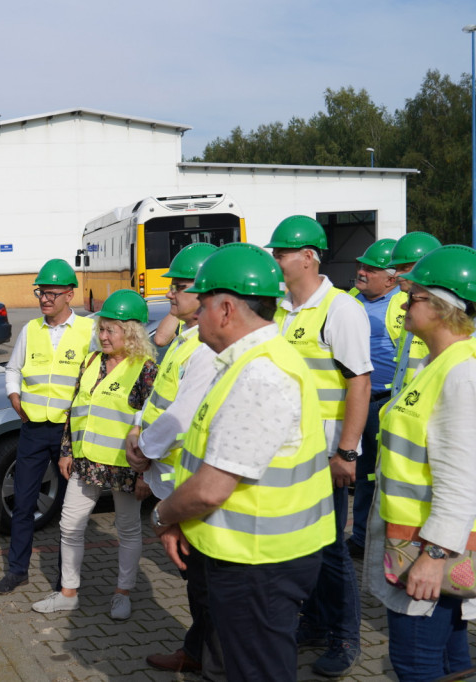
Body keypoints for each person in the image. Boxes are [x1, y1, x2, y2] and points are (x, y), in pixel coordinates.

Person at [152, 242, 335, 682]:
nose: (195, 311)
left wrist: (162, 516)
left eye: (203, 301)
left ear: (227, 309)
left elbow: (213, 486)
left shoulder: (261, 373)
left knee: (258, 672)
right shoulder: (243, 361)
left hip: (260, 564)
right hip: (246, 554)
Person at [365, 245, 476, 682]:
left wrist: (434, 556)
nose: (405, 303)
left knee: (416, 664)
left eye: (415, 297)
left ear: (446, 308)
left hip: (428, 553)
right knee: (452, 663)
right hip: (419, 545)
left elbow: (462, 476)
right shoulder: (436, 363)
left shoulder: (460, 373)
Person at [267, 215, 371, 677]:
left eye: (282, 253)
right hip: (289, 451)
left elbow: (359, 382)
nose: (275, 260)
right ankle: (314, 621)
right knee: (303, 545)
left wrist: (346, 451)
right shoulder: (279, 308)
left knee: (330, 548)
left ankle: (345, 635)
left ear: (309, 256)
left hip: (326, 452)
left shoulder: (340, 309)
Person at [32, 289, 157, 620]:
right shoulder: (91, 362)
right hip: (86, 461)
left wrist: (147, 473)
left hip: (125, 466)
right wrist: (65, 452)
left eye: (110, 330)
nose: (102, 336)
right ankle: (68, 593)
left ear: (130, 332)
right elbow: (75, 410)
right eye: (101, 329)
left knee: (128, 530)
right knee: (70, 524)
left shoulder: (145, 369)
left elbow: (154, 423)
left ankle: (122, 593)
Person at [129, 243, 220, 673]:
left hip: (187, 480)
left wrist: (143, 451)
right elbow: (158, 400)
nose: (170, 294)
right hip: (170, 475)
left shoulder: (205, 348)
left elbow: (182, 416)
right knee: (197, 586)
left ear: (204, 294)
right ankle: (198, 650)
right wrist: (137, 427)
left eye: (180, 287)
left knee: (205, 587)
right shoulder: (187, 338)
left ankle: (208, 657)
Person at [0, 259, 96, 595]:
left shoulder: (88, 331)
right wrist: (14, 396)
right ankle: (17, 570)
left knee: (70, 509)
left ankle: (65, 578)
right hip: (34, 429)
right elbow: (13, 369)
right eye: (40, 292)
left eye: (51, 293)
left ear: (70, 294)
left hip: (70, 433)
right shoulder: (30, 330)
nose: (44, 299)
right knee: (23, 502)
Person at [345, 239, 400, 557]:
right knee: (363, 473)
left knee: (389, 476)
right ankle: (362, 539)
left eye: (370, 269)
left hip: (388, 402)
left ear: (391, 278)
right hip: (359, 401)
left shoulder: (403, 303)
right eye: (360, 266)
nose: (361, 272)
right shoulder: (351, 300)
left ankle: (390, 541)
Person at [387, 231, 442, 395]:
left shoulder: (445, 314)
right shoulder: (403, 304)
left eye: (404, 268)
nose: (396, 275)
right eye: (396, 268)